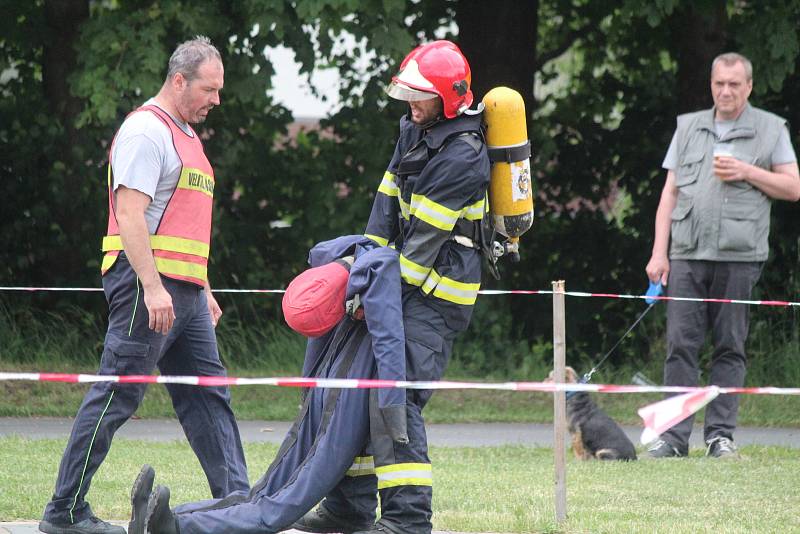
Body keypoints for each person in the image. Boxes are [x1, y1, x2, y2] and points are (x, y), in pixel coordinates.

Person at [39, 36, 249, 534]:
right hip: (146, 289)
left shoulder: (189, 138)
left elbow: (183, 223)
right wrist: (153, 288)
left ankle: (242, 508)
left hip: (187, 293)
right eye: (209, 88)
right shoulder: (145, 131)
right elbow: (130, 215)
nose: (216, 100)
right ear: (179, 80)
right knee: (117, 395)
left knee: (208, 395)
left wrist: (203, 286)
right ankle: (64, 513)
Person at [293, 39, 491, 534]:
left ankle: (407, 521)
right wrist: (365, 269)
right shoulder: (414, 130)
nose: (410, 103)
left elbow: (423, 247)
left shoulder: (463, 156)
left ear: (449, 97)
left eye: (420, 96)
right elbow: (384, 209)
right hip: (396, 286)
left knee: (395, 399)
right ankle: (348, 510)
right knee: (361, 394)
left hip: (436, 297)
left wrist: (374, 295)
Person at [645, 52, 800, 459]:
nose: (726, 91)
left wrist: (748, 171)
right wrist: (659, 253)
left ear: (749, 86)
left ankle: (720, 436)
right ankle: (672, 439)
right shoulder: (689, 126)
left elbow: (793, 187)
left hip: (739, 257)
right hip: (687, 254)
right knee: (680, 345)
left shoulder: (770, 129)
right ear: (711, 84)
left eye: (734, 84)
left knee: (730, 345)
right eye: (719, 83)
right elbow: (669, 195)